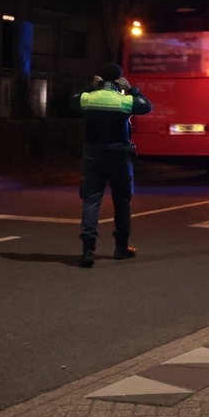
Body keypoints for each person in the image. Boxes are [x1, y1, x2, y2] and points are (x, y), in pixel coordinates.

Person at [69, 63, 153, 268]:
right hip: (118, 156)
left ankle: (88, 250)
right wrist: (132, 89)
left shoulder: (88, 98)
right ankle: (121, 247)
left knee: (91, 201)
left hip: (93, 156)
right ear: (118, 81)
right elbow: (146, 106)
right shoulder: (124, 101)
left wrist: (90, 87)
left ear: (100, 79)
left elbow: (72, 102)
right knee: (122, 201)